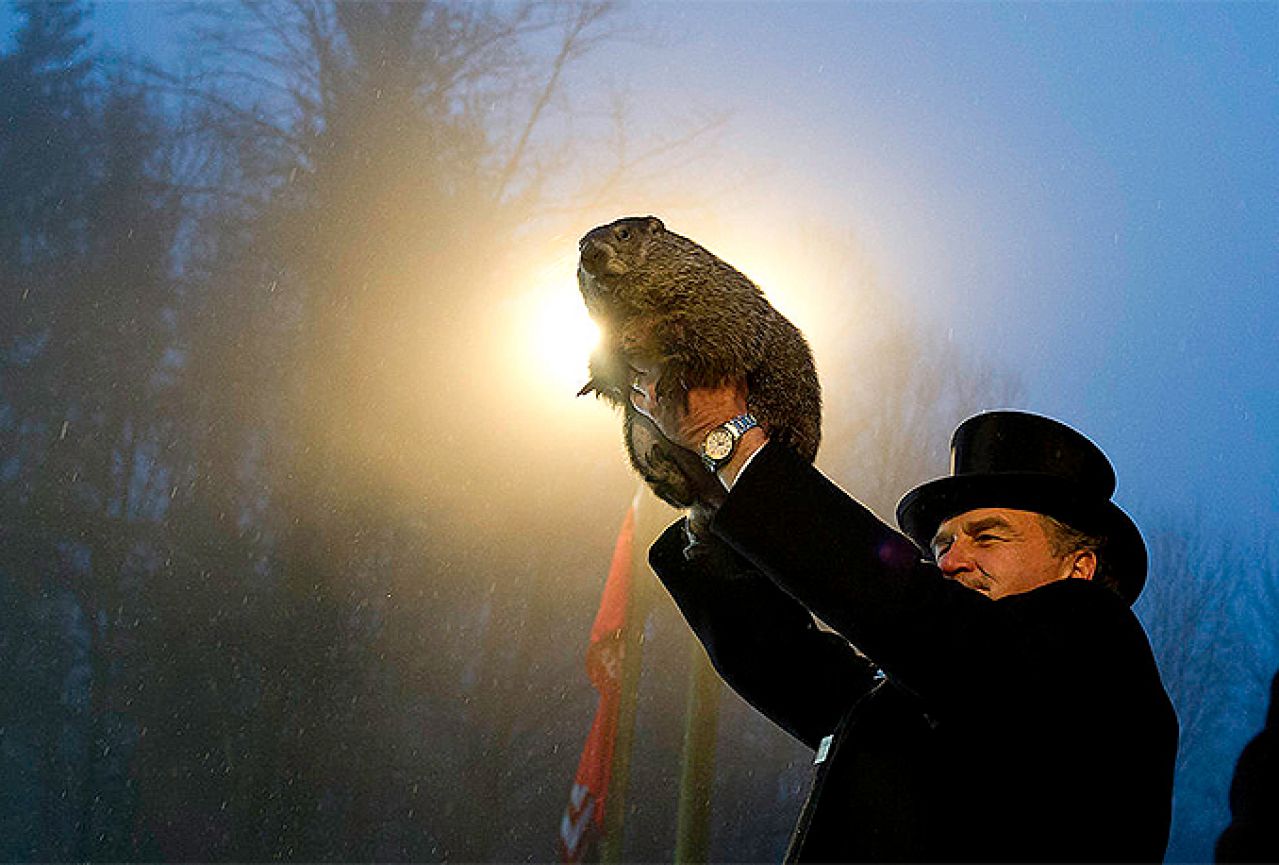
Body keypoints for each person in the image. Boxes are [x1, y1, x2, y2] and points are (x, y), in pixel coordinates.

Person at [629, 369, 1178, 863]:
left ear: (1077, 566)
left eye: (988, 536)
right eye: (941, 545)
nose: (951, 560)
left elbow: (918, 620)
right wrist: (706, 495)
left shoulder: (1097, 650)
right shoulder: (933, 689)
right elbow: (784, 661)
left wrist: (734, 444)